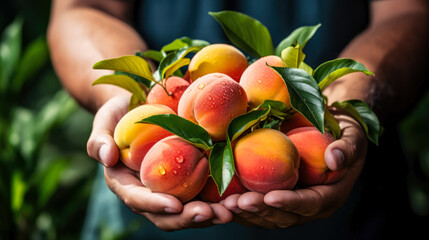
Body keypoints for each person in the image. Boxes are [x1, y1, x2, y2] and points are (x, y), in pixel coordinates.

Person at [47, 0, 429, 239]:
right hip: (137, 224)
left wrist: (349, 98)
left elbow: (409, 11)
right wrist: (123, 94)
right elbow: (84, 7)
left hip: (355, 215)